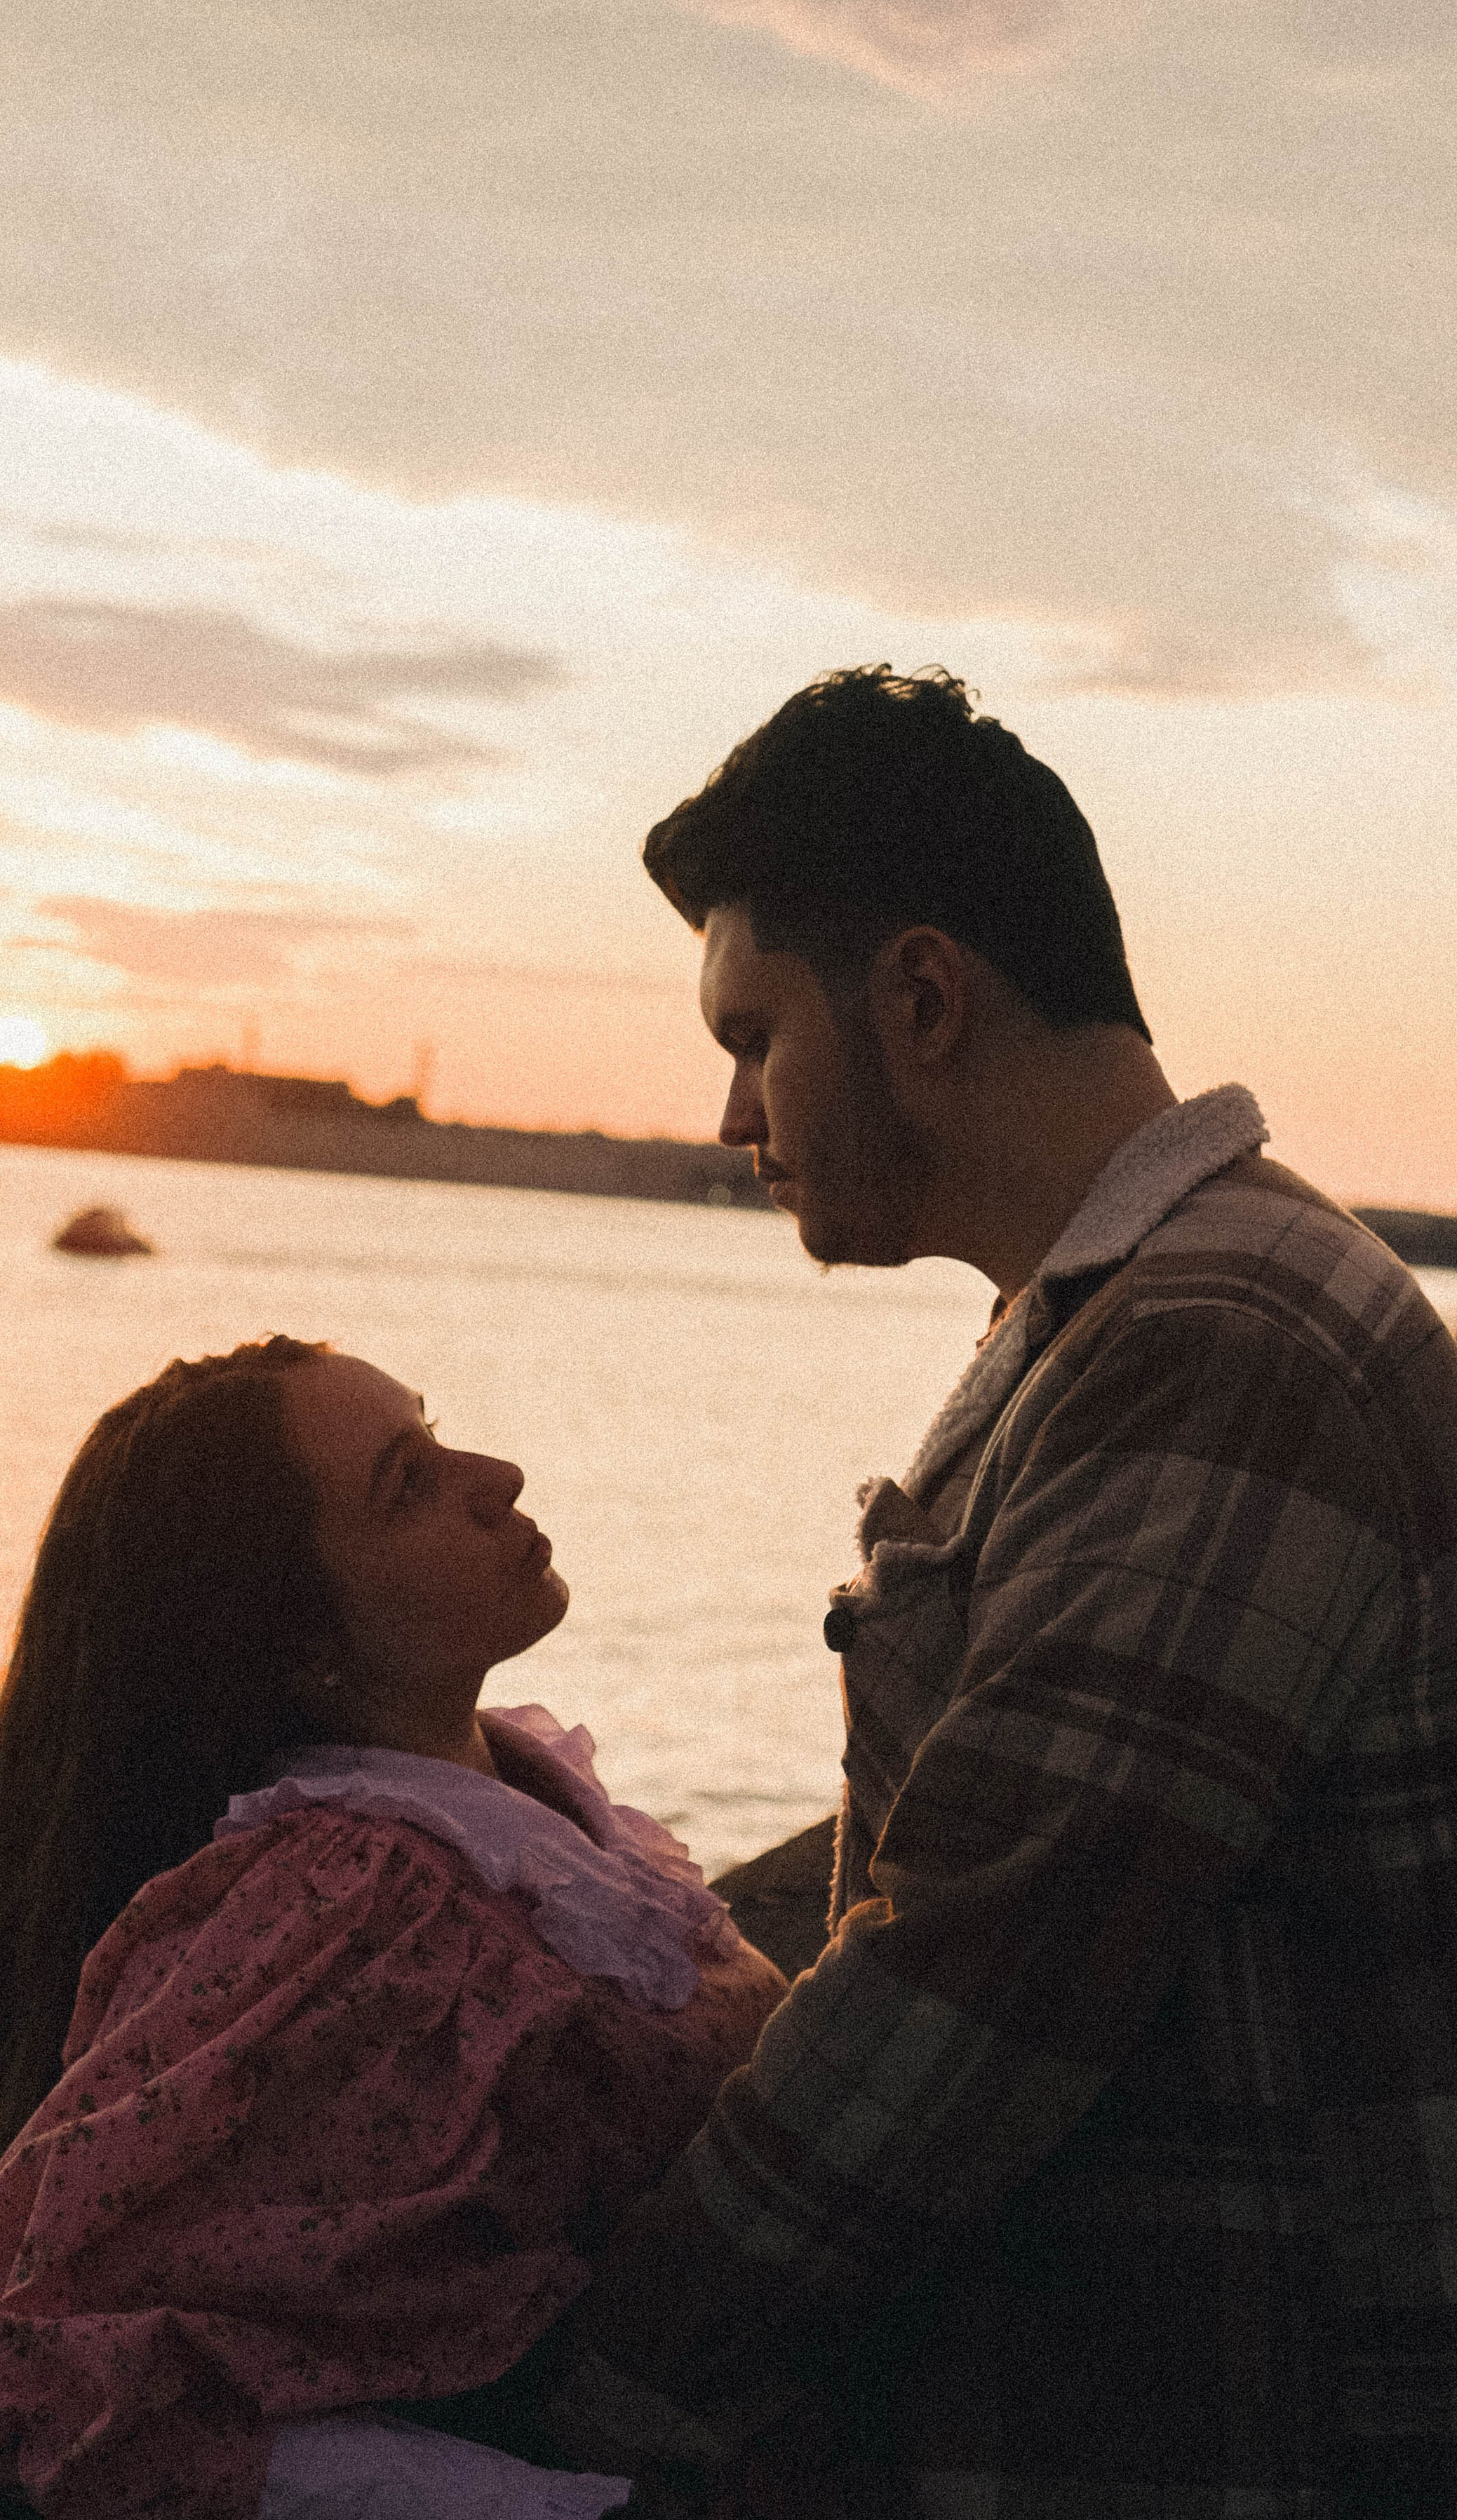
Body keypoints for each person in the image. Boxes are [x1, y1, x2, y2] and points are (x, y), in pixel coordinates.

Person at [539, 666, 1457, 2516]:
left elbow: (968, 1989)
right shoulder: (1140, 1313)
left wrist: (583, 2381)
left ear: (923, 1000)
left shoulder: (1221, 1343)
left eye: (754, 1037)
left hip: (1250, 2443)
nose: (733, 1114)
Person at [0, 1337, 784, 2520]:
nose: (497, 1477)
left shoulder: (510, 1790)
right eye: (409, 1484)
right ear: (297, 1640)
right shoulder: (351, 1911)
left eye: (437, 1436)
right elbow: (23, 2377)